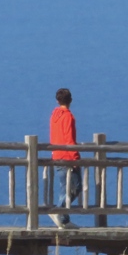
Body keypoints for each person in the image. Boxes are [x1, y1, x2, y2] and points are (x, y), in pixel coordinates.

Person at [49, 88, 80, 229]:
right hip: (67, 157)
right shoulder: (68, 116)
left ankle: (64, 219)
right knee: (76, 187)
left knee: (64, 188)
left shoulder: (54, 115)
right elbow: (69, 139)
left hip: (56, 155)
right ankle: (59, 211)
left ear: (57, 100)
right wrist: (75, 159)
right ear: (71, 100)